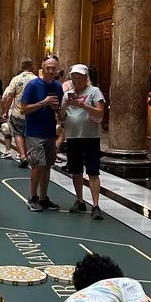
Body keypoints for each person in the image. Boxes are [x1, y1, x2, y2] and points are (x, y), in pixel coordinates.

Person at [61, 64, 106, 220]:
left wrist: (84, 106)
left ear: (86, 78)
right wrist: (64, 106)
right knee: (76, 170)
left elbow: (100, 113)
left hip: (90, 137)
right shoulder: (67, 94)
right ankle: (79, 200)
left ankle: (95, 205)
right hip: (73, 136)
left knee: (93, 171)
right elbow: (61, 117)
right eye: (74, 78)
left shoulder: (94, 92)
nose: (77, 80)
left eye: (80, 77)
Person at [20, 55, 63, 211]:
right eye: (48, 68)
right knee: (38, 165)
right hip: (34, 132)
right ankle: (33, 197)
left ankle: (44, 197)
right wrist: (43, 103)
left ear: (57, 69)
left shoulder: (58, 87)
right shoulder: (33, 85)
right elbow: (23, 109)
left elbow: (59, 110)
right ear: (43, 67)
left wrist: (57, 109)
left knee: (47, 166)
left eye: (54, 68)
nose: (51, 71)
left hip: (49, 132)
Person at [1, 59, 37, 168]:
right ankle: (30, 155)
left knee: (18, 134)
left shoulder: (16, 79)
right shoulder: (37, 79)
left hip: (18, 112)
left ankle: (22, 155)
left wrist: (6, 112)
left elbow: (9, 96)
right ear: (32, 67)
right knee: (29, 135)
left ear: (22, 67)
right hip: (32, 112)